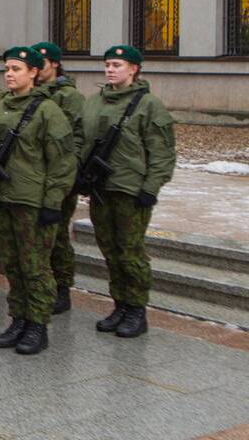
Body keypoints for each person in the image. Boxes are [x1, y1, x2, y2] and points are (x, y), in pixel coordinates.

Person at [0, 46, 76, 356]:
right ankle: (18, 319)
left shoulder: (47, 110)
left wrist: (52, 202)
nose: (9, 74)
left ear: (33, 72)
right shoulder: (1, 107)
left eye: (16, 69)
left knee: (35, 266)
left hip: (32, 201)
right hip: (2, 198)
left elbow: (63, 162)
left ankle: (38, 324)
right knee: (12, 265)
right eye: (7, 69)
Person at [80, 45, 176, 338]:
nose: (110, 69)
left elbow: (162, 152)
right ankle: (120, 304)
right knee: (109, 250)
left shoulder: (148, 105)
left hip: (130, 191)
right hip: (101, 189)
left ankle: (137, 309)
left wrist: (151, 187)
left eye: (117, 65)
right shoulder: (94, 101)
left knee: (131, 252)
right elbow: (81, 140)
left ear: (134, 69)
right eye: (107, 64)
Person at [32, 41, 85, 315]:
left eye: (40, 63)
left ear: (54, 64)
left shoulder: (68, 96)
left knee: (58, 236)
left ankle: (62, 287)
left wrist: (67, 176)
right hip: (33, 178)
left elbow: (74, 139)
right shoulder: (33, 94)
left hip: (59, 178)